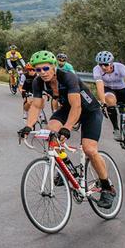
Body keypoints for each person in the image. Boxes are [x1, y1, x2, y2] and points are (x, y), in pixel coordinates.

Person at [18, 51, 116, 209]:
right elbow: (36, 105)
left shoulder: (68, 77)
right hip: (67, 109)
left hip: (89, 111)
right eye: (38, 70)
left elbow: (77, 106)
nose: (42, 72)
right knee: (50, 131)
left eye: (45, 68)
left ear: (53, 67)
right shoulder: (38, 82)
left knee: (89, 149)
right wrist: (28, 126)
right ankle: (65, 166)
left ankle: (107, 187)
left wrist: (67, 128)